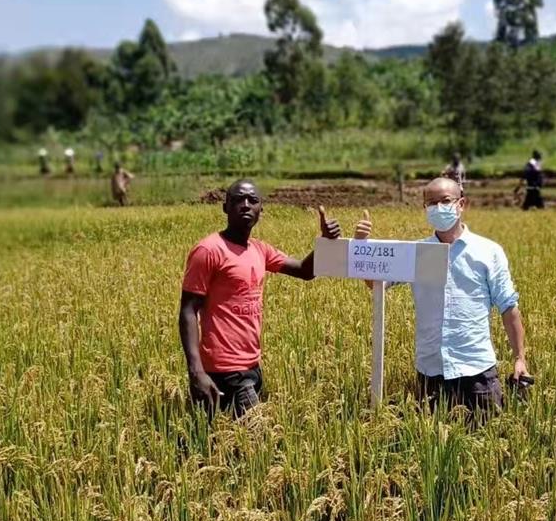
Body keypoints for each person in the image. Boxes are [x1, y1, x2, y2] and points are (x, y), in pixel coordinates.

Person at [351, 177, 528, 415]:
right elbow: (376, 283)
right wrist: (362, 246)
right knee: (432, 443)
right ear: (425, 209)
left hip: (477, 370)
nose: (438, 208)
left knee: (489, 440)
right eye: (431, 203)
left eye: (445, 201)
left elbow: (508, 307)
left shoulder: (488, 251)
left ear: (462, 204)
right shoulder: (417, 253)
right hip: (431, 370)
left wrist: (520, 357)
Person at [179, 180, 341, 418]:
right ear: (225, 207)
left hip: (252, 366)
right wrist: (196, 372)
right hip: (223, 370)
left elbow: (305, 271)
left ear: (261, 211)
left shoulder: (259, 250)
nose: (245, 205)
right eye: (238, 200)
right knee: (258, 442)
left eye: (253, 201)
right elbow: (188, 310)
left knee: (233, 448)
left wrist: (326, 242)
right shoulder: (209, 250)